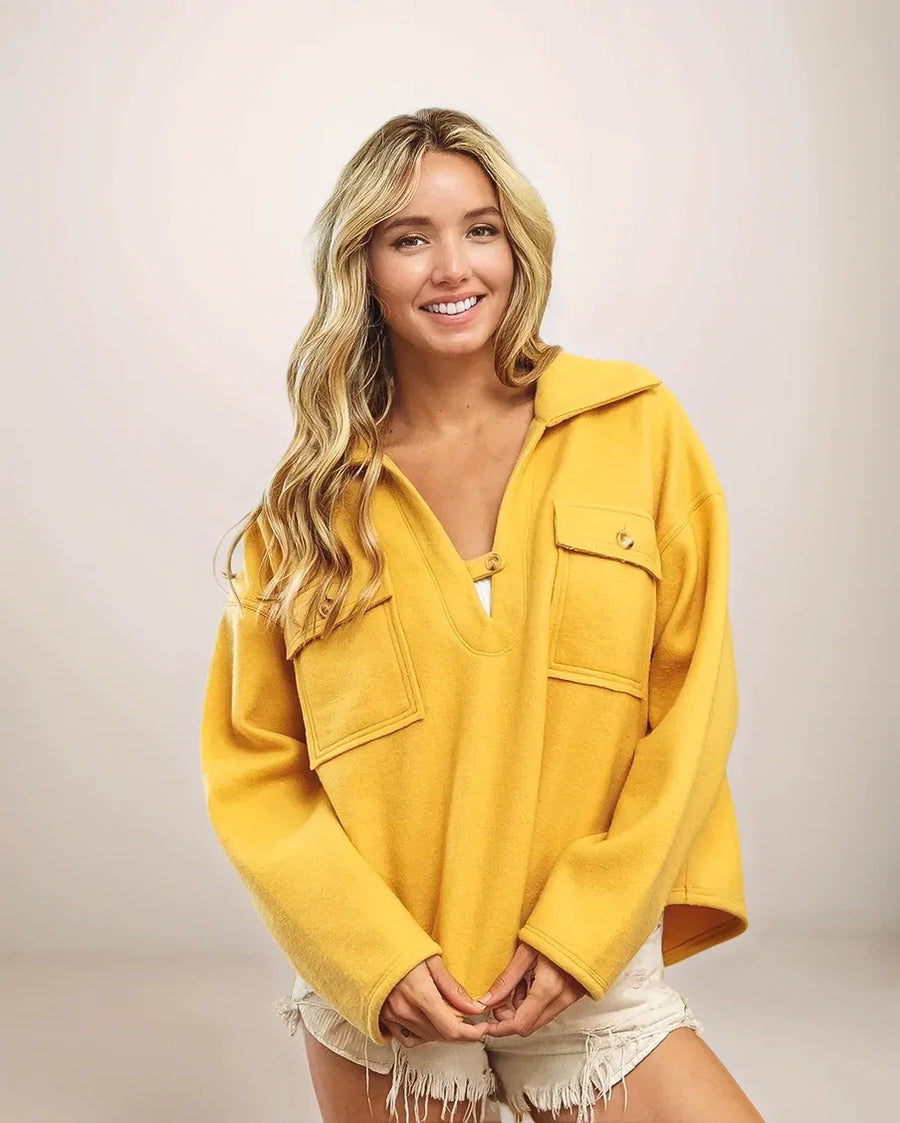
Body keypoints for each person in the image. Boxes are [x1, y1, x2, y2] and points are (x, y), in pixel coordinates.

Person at [200, 108, 765, 1123]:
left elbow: (691, 712)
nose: (451, 266)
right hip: (395, 999)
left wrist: (586, 929)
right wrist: (372, 957)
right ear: (362, 267)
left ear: (519, 245)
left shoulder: (636, 428)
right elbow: (254, 768)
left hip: (586, 969)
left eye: (480, 228)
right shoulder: (310, 507)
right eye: (408, 238)